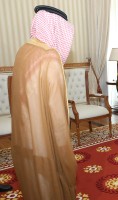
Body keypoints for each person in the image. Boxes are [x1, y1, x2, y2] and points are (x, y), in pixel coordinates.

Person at [11, 5, 77, 200]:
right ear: (56, 28)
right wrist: (68, 162)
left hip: (24, 143)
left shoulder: (22, 51)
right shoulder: (50, 57)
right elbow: (58, 124)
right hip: (45, 147)